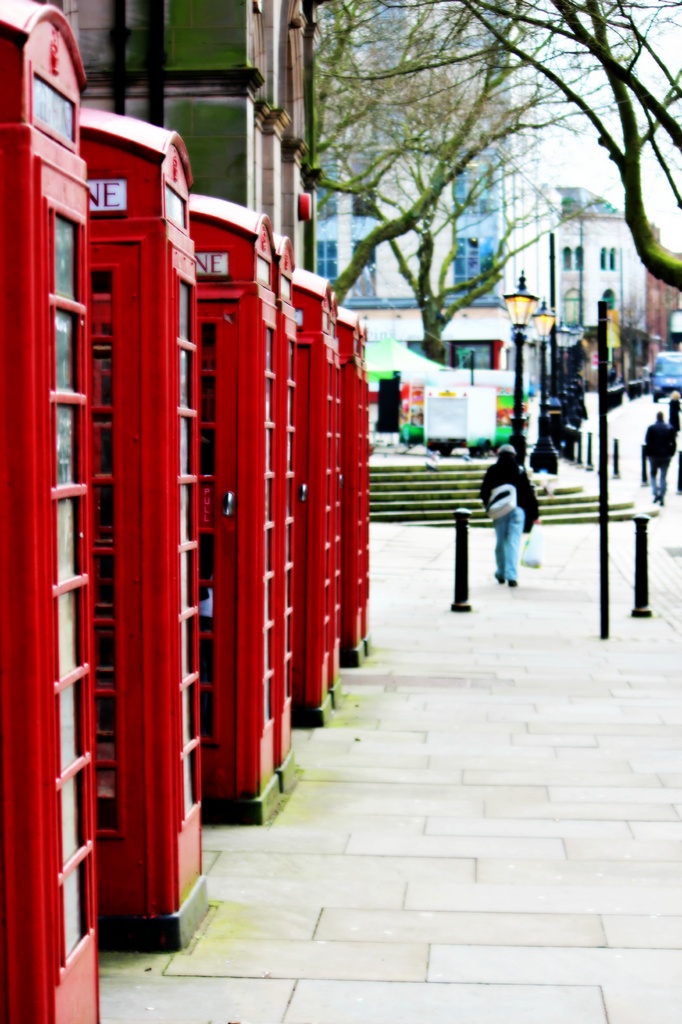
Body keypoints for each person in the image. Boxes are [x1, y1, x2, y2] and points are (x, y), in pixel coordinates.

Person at [480, 444, 540, 588]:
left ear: (499, 455)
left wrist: (489, 505)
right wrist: (535, 515)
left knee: (500, 542)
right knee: (513, 542)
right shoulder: (519, 471)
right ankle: (512, 575)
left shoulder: (493, 470)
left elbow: (484, 492)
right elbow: (528, 494)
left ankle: (501, 573)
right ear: (514, 455)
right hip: (518, 511)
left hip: (500, 511)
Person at [644, 410, 676, 505]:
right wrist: (671, 453)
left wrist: (647, 454)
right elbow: (673, 443)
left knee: (653, 475)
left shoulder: (651, 428)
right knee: (663, 476)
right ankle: (662, 495)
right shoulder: (669, 428)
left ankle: (655, 493)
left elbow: (647, 442)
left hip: (653, 455)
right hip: (665, 455)